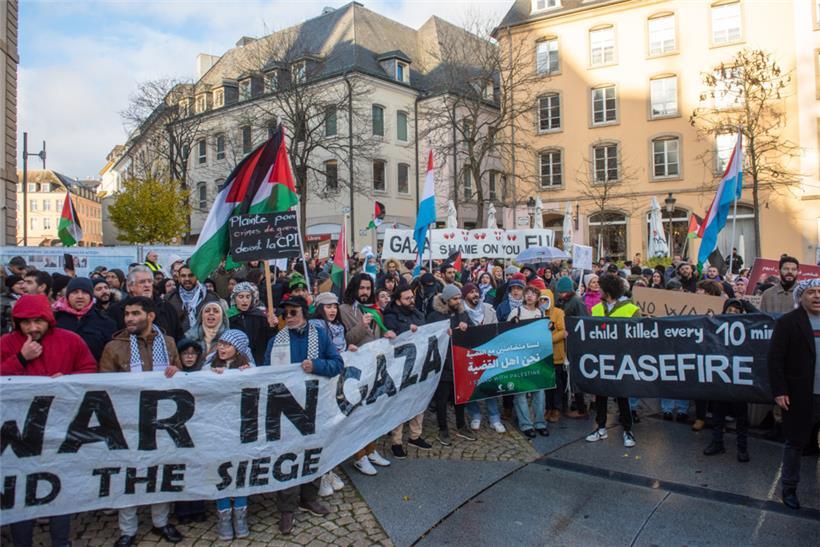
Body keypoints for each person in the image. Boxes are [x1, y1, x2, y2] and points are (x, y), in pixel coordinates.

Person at [0, 293, 97, 547]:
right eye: (26, 323)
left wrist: (67, 382)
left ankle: (61, 541)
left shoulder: (70, 340)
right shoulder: (7, 344)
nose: (32, 328)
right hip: (18, 434)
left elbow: (89, 370)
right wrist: (21, 359)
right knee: (21, 490)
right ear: (17, 323)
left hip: (60, 430)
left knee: (58, 487)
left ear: (48, 320)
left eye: (38, 322)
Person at [98, 296, 183, 546]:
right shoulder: (114, 347)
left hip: (162, 421)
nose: (129, 319)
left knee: (160, 470)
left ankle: (161, 522)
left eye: (135, 313)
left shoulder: (167, 343)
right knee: (127, 474)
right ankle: (128, 529)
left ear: (150, 316)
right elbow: (103, 385)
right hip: (126, 422)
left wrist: (177, 372)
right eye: (127, 314)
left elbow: (179, 374)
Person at [262, 296, 342, 535]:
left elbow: (337, 363)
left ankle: (308, 497)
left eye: (293, 312)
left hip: (314, 405)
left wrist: (316, 366)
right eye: (285, 314)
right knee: (287, 455)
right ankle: (287, 508)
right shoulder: (276, 340)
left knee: (312, 451)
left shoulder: (319, 336)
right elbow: (266, 372)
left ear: (304, 314)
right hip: (286, 408)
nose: (289, 317)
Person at [768, 279, 820, 510]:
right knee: (795, 444)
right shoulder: (789, 322)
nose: (817, 296)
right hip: (800, 395)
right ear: (801, 297)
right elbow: (775, 359)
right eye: (811, 292)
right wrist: (780, 391)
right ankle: (789, 489)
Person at [338, 273, 395, 474]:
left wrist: (386, 334)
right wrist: (362, 325)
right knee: (357, 414)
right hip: (355, 371)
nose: (365, 292)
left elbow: (376, 337)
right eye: (362, 288)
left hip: (373, 367)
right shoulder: (343, 310)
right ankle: (359, 455)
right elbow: (346, 339)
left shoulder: (373, 310)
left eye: (368, 288)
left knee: (372, 412)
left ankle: (371, 449)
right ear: (354, 288)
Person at [585, 274, 640, 448]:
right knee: (600, 394)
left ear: (608, 291)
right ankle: (600, 427)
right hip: (601, 359)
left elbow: (638, 337)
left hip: (622, 360)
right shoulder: (596, 309)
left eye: (601, 287)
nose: (598, 289)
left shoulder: (631, 309)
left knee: (622, 395)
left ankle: (627, 429)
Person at [383, 284, 434, 455]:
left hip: (419, 365)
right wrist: (407, 330)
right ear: (398, 301)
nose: (412, 300)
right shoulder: (391, 316)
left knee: (418, 401)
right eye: (407, 298)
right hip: (400, 368)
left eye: (412, 297)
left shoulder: (417, 313)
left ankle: (415, 436)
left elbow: (427, 331)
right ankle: (396, 441)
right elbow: (392, 337)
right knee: (400, 403)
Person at [426, 284, 477, 445]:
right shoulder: (435, 316)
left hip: (459, 362)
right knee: (441, 399)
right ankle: (443, 429)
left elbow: (474, 330)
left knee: (460, 398)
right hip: (442, 363)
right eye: (455, 299)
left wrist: (467, 328)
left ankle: (461, 425)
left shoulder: (462, 314)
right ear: (446, 300)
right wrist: (444, 333)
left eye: (459, 298)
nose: (458, 301)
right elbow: (428, 337)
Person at [703, 298, 751, 462]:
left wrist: (749, 307)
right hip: (721, 377)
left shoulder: (747, 326)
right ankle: (717, 443)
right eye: (729, 311)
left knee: (741, 417)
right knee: (718, 414)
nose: (732, 314)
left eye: (736, 312)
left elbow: (763, 319)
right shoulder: (715, 325)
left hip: (739, 378)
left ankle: (742, 448)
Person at [461, 283, 506, 433]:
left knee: (489, 385)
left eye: (477, 291)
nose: (475, 294)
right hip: (469, 355)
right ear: (465, 295)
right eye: (471, 292)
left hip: (488, 354)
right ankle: (475, 414)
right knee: (470, 386)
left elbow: (496, 328)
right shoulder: (460, 312)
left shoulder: (488, 309)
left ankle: (494, 418)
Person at [507, 286, 549, 437]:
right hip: (519, 357)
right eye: (528, 294)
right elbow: (507, 334)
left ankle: (540, 422)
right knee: (521, 392)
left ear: (538, 298)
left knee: (540, 391)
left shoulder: (541, 313)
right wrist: (513, 324)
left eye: (534, 294)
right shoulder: (516, 312)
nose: (530, 296)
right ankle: (526, 425)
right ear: (524, 296)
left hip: (537, 357)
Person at [107, 266, 183, 341]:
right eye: (142, 282)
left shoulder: (167, 307)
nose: (147, 285)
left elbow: (178, 336)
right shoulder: (115, 311)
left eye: (149, 281)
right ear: (130, 286)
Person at [53, 277, 116, 361]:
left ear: (91, 296)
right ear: (67, 295)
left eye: (85, 292)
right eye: (75, 292)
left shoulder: (105, 322)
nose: (80, 296)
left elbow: (110, 356)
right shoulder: (55, 319)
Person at [555, 276, 590, 418]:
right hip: (567, 343)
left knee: (575, 376)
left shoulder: (576, 301)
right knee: (569, 375)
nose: (560, 294)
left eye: (562, 292)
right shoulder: (565, 300)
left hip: (575, 343)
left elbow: (583, 321)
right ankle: (574, 405)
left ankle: (581, 408)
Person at [229, 281, 275, 365]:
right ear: (234, 299)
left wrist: (272, 326)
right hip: (237, 363)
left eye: (248, 296)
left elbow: (270, 339)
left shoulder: (260, 316)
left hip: (259, 361)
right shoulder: (229, 318)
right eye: (241, 297)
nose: (244, 300)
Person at [166, 264, 221, 332]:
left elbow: (219, 322)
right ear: (179, 278)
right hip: (179, 340)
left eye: (191, 275)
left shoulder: (210, 297)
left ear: (197, 277)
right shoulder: (170, 298)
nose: (187, 279)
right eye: (183, 276)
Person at [542, 289, 568, 424]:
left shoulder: (558, 312)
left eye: (545, 300)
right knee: (546, 384)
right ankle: (548, 407)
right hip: (544, 356)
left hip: (556, 354)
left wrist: (548, 340)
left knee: (557, 383)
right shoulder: (538, 313)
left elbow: (563, 331)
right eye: (541, 300)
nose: (543, 302)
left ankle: (557, 408)